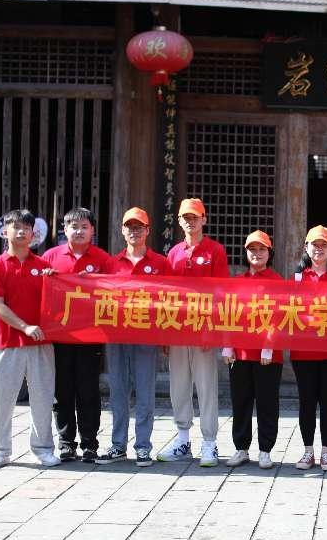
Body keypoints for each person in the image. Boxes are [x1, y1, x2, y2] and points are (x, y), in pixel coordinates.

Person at [0, 209, 60, 468]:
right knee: (3, 399)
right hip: (7, 343)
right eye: (15, 227)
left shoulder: (44, 266)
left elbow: (61, 300)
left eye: (26, 228)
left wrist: (61, 283)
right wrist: (25, 327)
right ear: (5, 231)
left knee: (43, 398)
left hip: (42, 343)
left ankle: (43, 449)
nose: (21, 232)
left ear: (33, 233)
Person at [158, 198, 230, 467]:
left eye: (195, 217)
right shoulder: (174, 253)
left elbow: (221, 292)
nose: (190, 222)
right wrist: (166, 333)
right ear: (179, 221)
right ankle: (182, 438)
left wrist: (212, 330)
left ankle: (209, 441)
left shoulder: (215, 250)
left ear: (204, 219)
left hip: (203, 330)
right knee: (178, 384)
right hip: (178, 328)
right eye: (185, 218)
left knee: (206, 385)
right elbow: (166, 294)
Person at [97, 207, 170, 467]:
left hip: (146, 337)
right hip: (116, 337)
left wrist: (165, 338)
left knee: (145, 392)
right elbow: (97, 295)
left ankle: (143, 447)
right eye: (129, 227)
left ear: (148, 230)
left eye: (139, 227)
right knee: (118, 391)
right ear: (122, 230)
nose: (134, 231)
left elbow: (170, 300)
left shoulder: (161, 263)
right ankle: (118, 445)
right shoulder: (111, 263)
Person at [42, 207, 111, 463]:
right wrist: (47, 278)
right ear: (64, 229)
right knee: (63, 390)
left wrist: (97, 281)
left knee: (88, 390)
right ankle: (66, 443)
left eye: (84, 227)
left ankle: (90, 443)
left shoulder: (103, 259)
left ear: (93, 230)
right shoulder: (50, 257)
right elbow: (38, 290)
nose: (79, 231)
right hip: (60, 336)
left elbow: (116, 292)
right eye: (74, 226)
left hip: (91, 336)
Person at [222, 230, 284, 470]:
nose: (257, 253)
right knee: (241, 401)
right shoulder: (237, 282)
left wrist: (269, 346)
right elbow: (229, 315)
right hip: (240, 352)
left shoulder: (278, 281)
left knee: (267, 402)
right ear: (246, 253)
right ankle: (241, 448)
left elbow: (280, 317)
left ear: (270, 253)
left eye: (261, 249)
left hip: (268, 355)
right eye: (252, 249)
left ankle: (266, 450)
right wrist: (227, 344)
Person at [291, 225, 327, 471]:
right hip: (303, 351)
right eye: (314, 244)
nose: (319, 249)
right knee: (306, 401)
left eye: (323, 244)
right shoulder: (297, 278)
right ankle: (308, 452)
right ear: (306, 247)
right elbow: (285, 310)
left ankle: (326, 452)